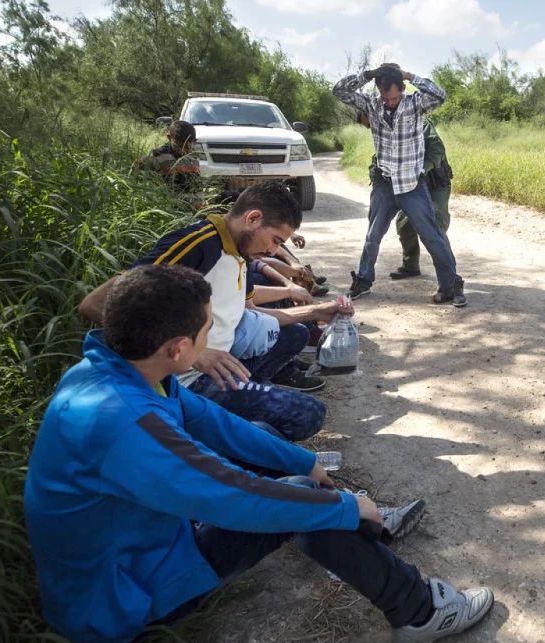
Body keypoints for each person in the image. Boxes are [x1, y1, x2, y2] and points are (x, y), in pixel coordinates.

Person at [26, 265, 494, 643]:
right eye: (208, 327)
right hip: (119, 605)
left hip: (137, 550)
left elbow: (217, 423)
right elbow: (235, 496)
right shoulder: (126, 423)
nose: (214, 334)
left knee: (275, 450)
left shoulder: (115, 371)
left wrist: (305, 460)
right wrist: (343, 506)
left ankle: (353, 528)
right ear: (178, 349)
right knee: (305, 504)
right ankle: (421, 613)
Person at [79, 182, 352, 441]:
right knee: (308, 414)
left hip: (224, 359)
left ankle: (240, 410)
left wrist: (316, 312)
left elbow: (251, 312)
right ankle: (219, 425)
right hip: (185, 378)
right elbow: (95, 303)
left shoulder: (241, 253)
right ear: (253, 218)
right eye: (275, 240)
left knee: (294, 335)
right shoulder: (196, 246)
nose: (273, 251)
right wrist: (195, 354)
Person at [333, 63, 466, 307]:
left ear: (402, 89)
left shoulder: (415, 103)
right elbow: (339, 90)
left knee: (432, 236)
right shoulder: (371, 104)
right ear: (378, 92)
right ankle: (363, 281)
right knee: (373, 236)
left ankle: (450, 285)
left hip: (411, 185)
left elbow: (440, 94)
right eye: (386, 97)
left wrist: (409, 75)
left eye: (394, 97)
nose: (390, 102)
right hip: (384, 183)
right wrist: (367, 75)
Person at [357, 112, 455, 281]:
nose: (371, 129)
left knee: (436, 227)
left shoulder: (417, 122)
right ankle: (411, 266)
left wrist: (421, 170)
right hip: (409, 187)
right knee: (404, 225)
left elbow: (437, 150)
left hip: (434, 183)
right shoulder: (385, 130)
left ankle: (451, 278)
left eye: (370, 124)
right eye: (369, 127)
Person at [133, 120, 201, 203]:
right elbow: (135, 170)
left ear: (195, 141)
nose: (183, 152)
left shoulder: (194, 156)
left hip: (196, 208)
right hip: (173, 209)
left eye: (187, 148)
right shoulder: (158, 156)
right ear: (169, 137)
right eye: (178, 146)